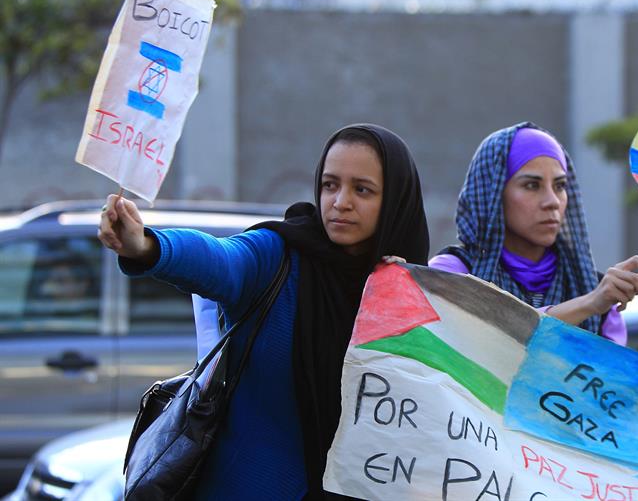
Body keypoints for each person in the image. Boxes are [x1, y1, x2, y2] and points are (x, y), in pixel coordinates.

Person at [98, 124, 429, 500]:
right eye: (330, 185)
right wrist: (147, 246)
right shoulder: (279, 256)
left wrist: (402, 297)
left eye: (362, 190)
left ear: (396, 202)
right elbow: (222, 260)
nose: (340, 202)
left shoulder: (412, 290)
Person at [429, 122, 638, 424]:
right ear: (493, 192)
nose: (552, 201)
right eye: (531, 185)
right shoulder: (453, 274)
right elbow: (491, 347)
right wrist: (590, 303)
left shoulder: (594, 293)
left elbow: (603, 408)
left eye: (561, 186)